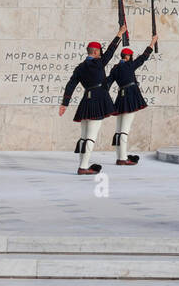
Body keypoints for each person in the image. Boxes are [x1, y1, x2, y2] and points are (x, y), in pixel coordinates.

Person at [59, 27, 125, 175]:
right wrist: (119, 34)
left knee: (83, 137)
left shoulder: (80, 67)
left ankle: (83, 165)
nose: (101, 54)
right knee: (91, 137)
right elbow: (110, 51)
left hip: (85, 102)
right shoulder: (98, 63)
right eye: (99, 52)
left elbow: (70, 85)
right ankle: (83, 167)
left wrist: (65, 103)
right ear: (95, 52)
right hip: (98, 100)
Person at [105, 35, 157, 166]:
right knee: (124, 129)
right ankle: (122, 158)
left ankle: (120, 156)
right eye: (130, 57)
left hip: (120, 97)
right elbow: (143, 57)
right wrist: (152, 42)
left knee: (119, 129)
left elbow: (108, 84)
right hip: (130, 97)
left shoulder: (115, 68)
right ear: (128, 57)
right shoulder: (129, 65)